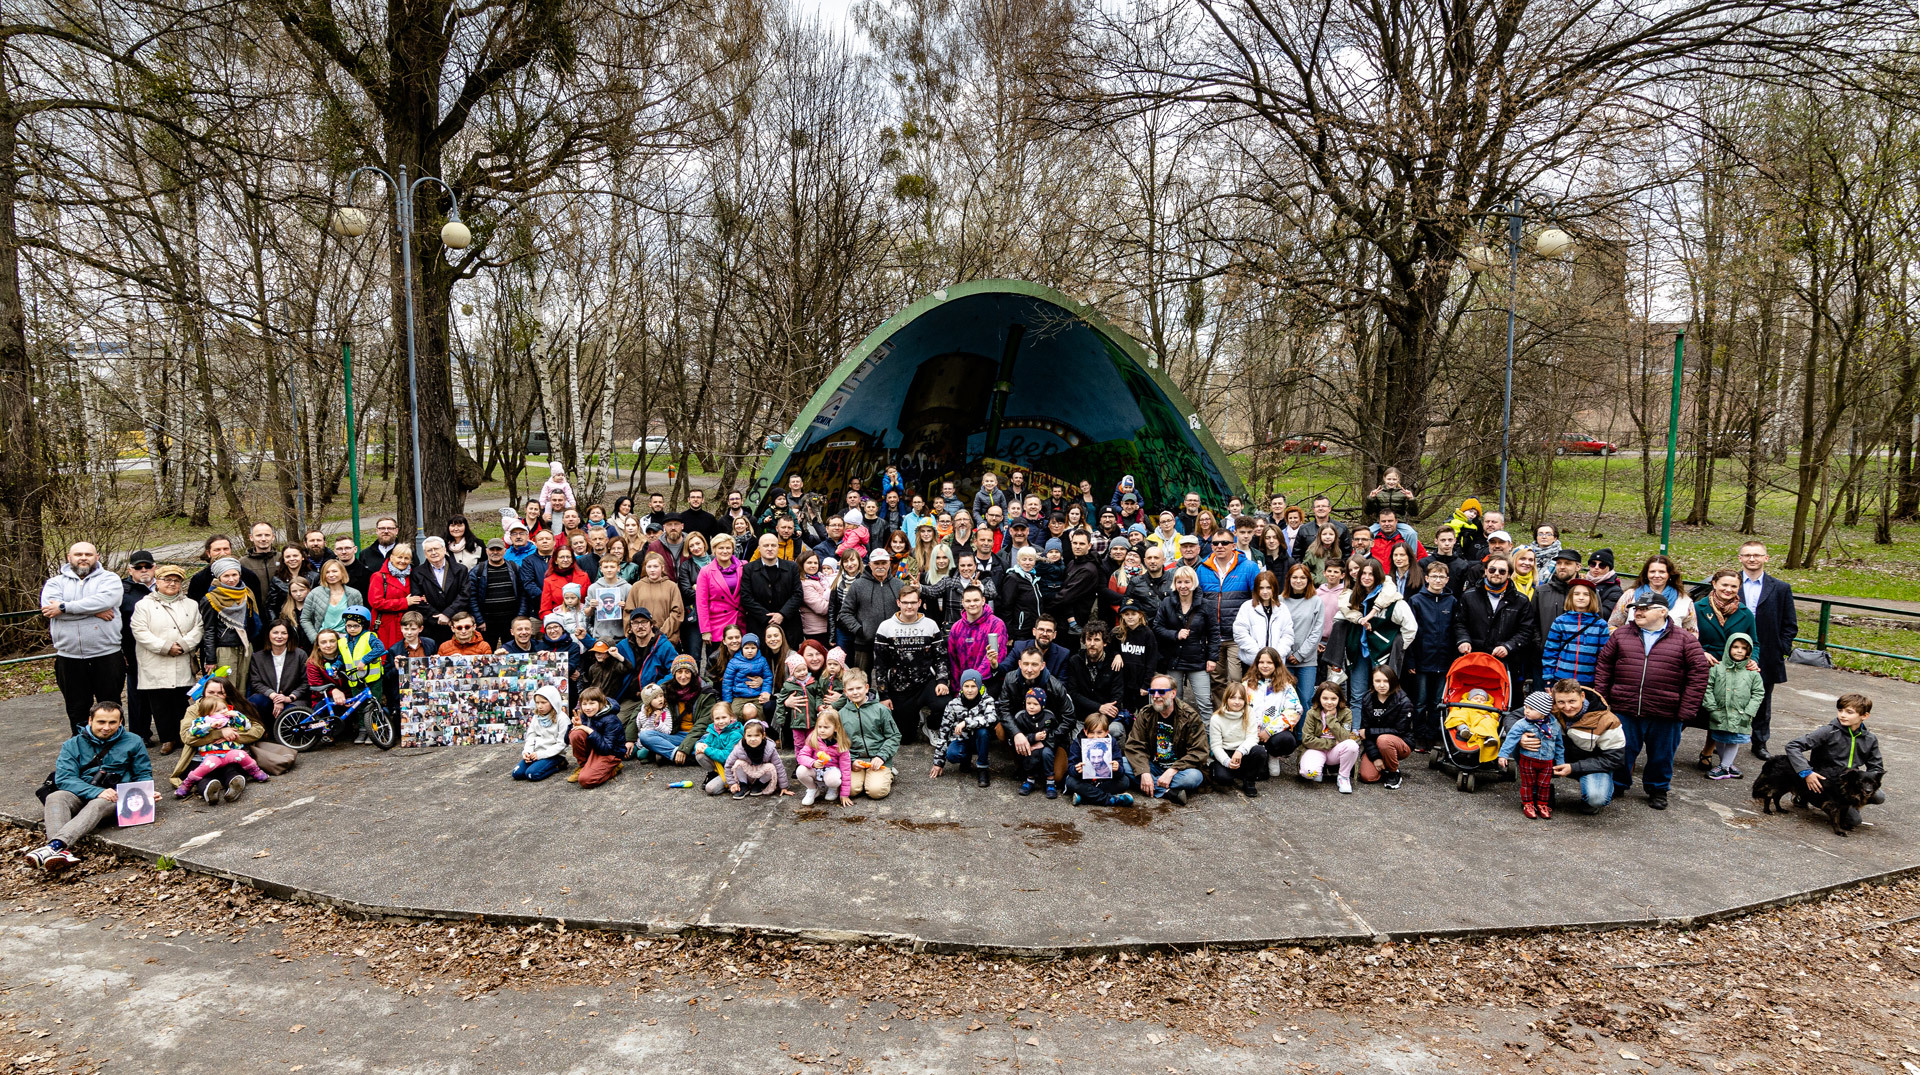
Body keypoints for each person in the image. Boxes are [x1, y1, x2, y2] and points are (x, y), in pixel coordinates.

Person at [1594, 594, 1711, 810]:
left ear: (1663, 612)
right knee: (1622, 750)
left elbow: (1698, 675)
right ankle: (1618, 784)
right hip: (1624, 708)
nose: (1638, 612)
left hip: (1666, 711)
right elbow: (1603, 668)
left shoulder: (1685, 640)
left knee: (1662, 755)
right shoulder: (1620, 635)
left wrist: (1686, 709)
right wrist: (1603, 702)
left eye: (1645, 608)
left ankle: (1657, 789)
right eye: (1636, 608)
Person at [22, 702, 151, 874]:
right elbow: (65, 778)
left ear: (121, 722)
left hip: (116, 796)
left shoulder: (133, 741)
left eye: (112, 722)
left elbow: (143, 773)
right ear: (90, 720)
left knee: (98, 803)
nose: (106, 727)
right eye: (101, 722)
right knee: (55, 797)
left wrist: (147, 792)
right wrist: (96, 791)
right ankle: (59, 851)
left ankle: (55, 846)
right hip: (81, 793)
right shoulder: (72, 745)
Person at [41, 542, 126, 736]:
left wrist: (63, 607)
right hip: (68, 657)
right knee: (76, 708)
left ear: (97, 557)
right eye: (78, 554)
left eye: (88, 554)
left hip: (107, 655)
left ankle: (116, 750)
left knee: (111, 706)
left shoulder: (109, 579)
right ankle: (83, 749)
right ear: (69, 558)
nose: (83, 557)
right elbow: (49, 609)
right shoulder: (55, 583)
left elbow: (104, 601)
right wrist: (94, 612)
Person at [128, 564, 202, 752]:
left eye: (176, 580)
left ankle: (183, 735)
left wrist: (184, 645)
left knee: (181, 700)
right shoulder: (143, 605)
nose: (171, 584)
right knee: (159, 702)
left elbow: (198, 628)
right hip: (155, 660)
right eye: (167, 580)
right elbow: (139, 631)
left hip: (182, 658)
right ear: (157, 582)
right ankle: (167, 738)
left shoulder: (191, 604)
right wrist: (165, 647)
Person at [1735, 541, 1797, 762]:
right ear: (1740, 558)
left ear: (1766, 558)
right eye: (1748, 555)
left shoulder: (1780, 588)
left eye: (1757, 555)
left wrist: (1781, 648)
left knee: (1761, 699)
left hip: (1768, 652)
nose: (1752, 559)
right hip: (1730, 649)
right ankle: (1720, 741)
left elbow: (1790, 623)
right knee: (1727, 695)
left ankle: (1759, 742)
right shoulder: (1729, 584)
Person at [1786, 692, 1885, 830]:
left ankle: (1846, 804)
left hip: (1847, 784)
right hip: (1825, 782)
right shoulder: (1828, 731)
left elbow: (1876, 768)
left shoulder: (1870, 739)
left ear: (1864, 716)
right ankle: (1805, 795)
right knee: (1853, 821)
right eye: (1840, 710)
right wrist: (1806, 772)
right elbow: (1793, 746)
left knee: (1879, 796)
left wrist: (1866, 780)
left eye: (1849, 712)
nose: (1842, 715)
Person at [1450, 554, 1534, 700]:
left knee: (1502, 701)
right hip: (1473, 658)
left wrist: (1509, 646)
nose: (1496, 573)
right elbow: (1459, 623)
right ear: (1486, 571)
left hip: (1505, 661)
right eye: (1492, 569)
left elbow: (1526, 630)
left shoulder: (1520, 601)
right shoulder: (1469, 596)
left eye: (1502, 571)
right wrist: (1463, 640)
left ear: (1509, 574)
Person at [872, 586, 949, 742]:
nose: (909, 606)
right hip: (900, 687)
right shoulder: (886, 627)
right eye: (905, 602)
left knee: (944, 704)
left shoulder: (930, 625)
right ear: (898, 603)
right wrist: (884, 695)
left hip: (925, 682)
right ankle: (915, 714)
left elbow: (941, 656)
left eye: (913, 602)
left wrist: (942, 681)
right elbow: (880, 664)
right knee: (905, 739)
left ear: (919, 602)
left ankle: (931, 726)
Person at [1337, 558, 1417, 705]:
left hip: (1382, 652)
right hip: (1359, 651)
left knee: (1384, 693)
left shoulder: (1392, 599)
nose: (1366, 577)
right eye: (1364, 573)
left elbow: (1410, 627)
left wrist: (1397, 647)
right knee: (1357, 695)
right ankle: (1357, 728)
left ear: (1378, 576)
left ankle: (1384, 728)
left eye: (1371, 574)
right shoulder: (1353, 597)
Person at [1125, 674, 1207, 804]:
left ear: (1173, 693)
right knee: (1123, 763)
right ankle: (1166, 792)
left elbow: (1199, 751)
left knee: (1194, 777)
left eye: (1161, 692)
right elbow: (1134, 745)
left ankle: (1149, 785)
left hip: (1179, 769)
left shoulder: (1190, 716)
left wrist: (1172, 771)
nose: (1156, 696)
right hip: (1153, 765)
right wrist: (1144, 772)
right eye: (1152, 691)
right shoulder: (1145, 713)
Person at [173, 696, 272, 801]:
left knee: (242, 755)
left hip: (230, 752)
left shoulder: (230, 720)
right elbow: (194, 731)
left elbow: (246, 726)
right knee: (204, 768)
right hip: (212, 755)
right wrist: (210, 726)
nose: (223, 712)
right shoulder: (202, 721)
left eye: (224, 708)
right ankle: (187, 784)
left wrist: (238, 715)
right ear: (207, 712)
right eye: (217, 711)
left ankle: (256, 772)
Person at [1403, 560, 1455, 750]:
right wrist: (1411, 660)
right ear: (1427, 578)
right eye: (1434, 576)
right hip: (1422, 659)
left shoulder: (1452, 601)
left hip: (1443, 660)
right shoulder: (1416, 601)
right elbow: (1409, 632)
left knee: (1437, 702)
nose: (1438, 580)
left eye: (1442, 577)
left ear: (1447, 579)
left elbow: (1454, 631)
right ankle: (1418, 735)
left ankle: (1433, 735)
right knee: (1420, 702)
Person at [1154, 565, 1218, 713]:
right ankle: (1176, 734)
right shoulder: (1166, 603)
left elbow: (1214, 633)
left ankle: (1208, 736)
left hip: (1198, 660)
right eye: (1179, 582)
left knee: (1205, 704)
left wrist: (1212, 658)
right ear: (1174, 584)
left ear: (1193, 583)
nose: (1183, 586)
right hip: (1173, 659)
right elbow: (1157, 628)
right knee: (1173, 703)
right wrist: (1175, 634)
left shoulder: (1206, 605)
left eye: (1187, 582)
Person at [1702, 633, 1765, 780]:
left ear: (1748, 651)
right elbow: (1708, 688)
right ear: (1728, 648)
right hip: (1719, 711)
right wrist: (1712, 708)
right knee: (1719, 737)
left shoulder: (1752, 673)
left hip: (1741, 714)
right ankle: (1728, 765)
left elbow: (1758, 693)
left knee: (1734, 739)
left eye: (1744, 648)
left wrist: (1749, 712)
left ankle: (1724, 767)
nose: (1739, 651)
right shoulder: (1717, 668)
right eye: (1735, 647)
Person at [831, 669, 899, 799]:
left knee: (876, 792)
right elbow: (838, 743)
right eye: (851, 689)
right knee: (850, 790)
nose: (855, 692)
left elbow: (894, 736)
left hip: (878, 760)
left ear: (867, 688)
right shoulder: (841, 714)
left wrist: (881, 757)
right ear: (845, 692)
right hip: (856, 761)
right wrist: (851, 761)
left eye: (859, 688)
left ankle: (887, 773)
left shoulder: (881, 710)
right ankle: (864, 777)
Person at [1499, 691, 1565, 818]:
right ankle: (1528, 803)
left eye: (1531, 709)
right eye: (1526, 707)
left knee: (1544, 785)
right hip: (1528, 759)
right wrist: (1503, 754)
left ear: (1543, 712)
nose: (1526, 711)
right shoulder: (1522, 723)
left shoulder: (1554, 725)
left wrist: (1560, 762)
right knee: (1528, 783)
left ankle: (1542, 804)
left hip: (1547, 761)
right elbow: (1511, 738)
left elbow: (1559, 745)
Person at [929, 669, 998, 787]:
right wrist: (938, 762)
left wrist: (966, 722)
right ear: (961, 687)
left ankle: (982, 768)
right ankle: (966, 761)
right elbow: (943, 733)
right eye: (966, 686)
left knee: (983, 732)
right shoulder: (953, 704)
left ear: (979, 687)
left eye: (973, 686)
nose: (970, 690)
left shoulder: (987, 701)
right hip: (962, 741)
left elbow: (991, 718)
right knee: (952, 754)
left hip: (980, 741)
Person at [837, 547, 904, 671]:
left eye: (883, 563)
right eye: (876, 563)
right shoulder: (858, 585)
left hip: (894, 643)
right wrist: (860, 630)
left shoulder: (899, 585)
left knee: (893, 678)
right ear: (870, 565)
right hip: (864, 643)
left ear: (889, 563)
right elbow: (845, 613)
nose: (880, 566)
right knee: (862, 679)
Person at [198, 557, 262, 678]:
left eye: (234, 575)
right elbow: (209, 630)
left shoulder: (247, 593)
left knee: (244, 688)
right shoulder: (211, 598)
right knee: (227, 688)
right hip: (224, 649)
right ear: (219, 577)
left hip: (245, 646)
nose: (231, 579)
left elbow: (252, 621)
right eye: (226, 576)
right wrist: (210, 659)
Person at [1540, 577, 1608, 688]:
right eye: (1576, 594)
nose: (1581, 598)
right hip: (1562, 678)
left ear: (1592, 598)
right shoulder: (1560, 622)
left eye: (1586, 594)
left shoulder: (1600, 625)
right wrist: (1548, 677)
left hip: (1588, 680)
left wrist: (1600, 681)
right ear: (1571, 597)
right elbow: (1550, 651)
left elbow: (1603, 657)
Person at [1245, 647, 1302, 775]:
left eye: (1269, 663)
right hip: (1251, 732)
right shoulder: (1247, 685)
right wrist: (1254, 730)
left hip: (1272, 733)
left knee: (1287, 740)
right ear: (1256, 664)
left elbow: (1294, 710)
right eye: (1261, 662)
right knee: (1260, 774)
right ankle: (1258, 755)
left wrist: (1269, 731)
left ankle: (1273, 755)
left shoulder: (1286, 686)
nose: (1265, 666)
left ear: (1276, 664)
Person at [1607, 554, 1698, 636]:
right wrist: (1624, 642)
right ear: (1646, 574)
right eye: (1652, 571)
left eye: (1662, 572)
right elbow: (1613, 625)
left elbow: (1692, 633)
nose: (1657, 575)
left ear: (1669, 574)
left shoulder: (1684, 600)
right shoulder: (1630, 596)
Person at [1355, 665, 1414, 787]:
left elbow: (1399, 730)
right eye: (1377, 681)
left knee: (1384, 740)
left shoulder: (1403, 701)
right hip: (1375, 745)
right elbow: (1363, 732)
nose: (1382, 685)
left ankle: (1393, 772)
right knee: (1367, 777)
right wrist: (1375, 757)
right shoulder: (1367, 699)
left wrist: (1369, 732)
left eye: (1386, 681)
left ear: (1393, 681)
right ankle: (1385, 766)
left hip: (1400, 743)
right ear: (1372, 682)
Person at [1297, 681, 1360, 792]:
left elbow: (1345, 737)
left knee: (1352, 745)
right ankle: (1319, 768)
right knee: (1309, 773)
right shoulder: (1312, 713)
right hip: (1316, 749)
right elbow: (1307, 740)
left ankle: (1343, 777)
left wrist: (1330, 719)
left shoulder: (1346, 712)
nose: (1329, 702)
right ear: (1319, 698)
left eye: (1333, 699)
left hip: (1335, 752)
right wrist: (1331, 743)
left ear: (1339, 699)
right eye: (1325, 698)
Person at [1064, 709, 1135, 806]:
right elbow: (1070, 768)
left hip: (1104, 782)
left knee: (1124, 781)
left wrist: (1117, 768)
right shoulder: (1078, 743)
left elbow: (1120, 770)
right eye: (1091, 733)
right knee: (1070, 781)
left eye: (1099, 733)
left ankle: (1085, 798)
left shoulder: (1112, 742)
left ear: (1106, 732)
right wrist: (1076, 769)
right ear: (1085, 731)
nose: (1095, 737)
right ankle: (1110, 800)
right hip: (1084, 781)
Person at [1231, 569, 1295, 677]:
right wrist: (1259, 655)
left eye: (1268, 587)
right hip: (1252, 662)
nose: (1265, 592)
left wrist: (1275, 656)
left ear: (1274, 588)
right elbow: (1240, 633)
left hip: (1276, 664)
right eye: (1261, 588)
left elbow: (1287, 635)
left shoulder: (1282, 609)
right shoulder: (1247, 607)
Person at [1207, 681, 1266, 797]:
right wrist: (1227, 761)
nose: (1237, 702)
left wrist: (1240, 751)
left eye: (1241, 698)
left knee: (1260, 752)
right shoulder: (1216, 718)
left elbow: (1253, 737)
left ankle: (1249, 781)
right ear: (1226, 699)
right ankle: (1221, 768)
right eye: (1233, 698)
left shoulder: (1249, 712)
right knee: (1223, 779)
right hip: (1226, 752)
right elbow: (1215, 746)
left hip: (1244, 751)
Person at [740, 532, 803, 641]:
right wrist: (767, 617)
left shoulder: (792, 567)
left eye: (773, 545)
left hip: (788, 625)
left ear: (778, 547)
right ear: (759, 548)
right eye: (766, 545)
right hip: (759, 624)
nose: (770, 548)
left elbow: (797, 594)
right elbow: (746, 598)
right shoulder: (749, 569)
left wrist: (782, 614)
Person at [1277, 564, 1324, 705]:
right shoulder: (1280, 601)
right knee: (1285, 701)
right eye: (1295, 577)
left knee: (1305, 700)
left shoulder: (1316, 601)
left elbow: (1317, 631)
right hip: (1284, 659)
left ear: (1309, 580)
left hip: (1307, 661)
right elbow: (1277, 629)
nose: (1298, 581)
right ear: (1288, 579)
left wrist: (1299, 655)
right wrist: (1288, 652)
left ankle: (1304, 728)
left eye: (1302, 577)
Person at [246, 620, 309, 720]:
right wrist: (275, 696)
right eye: (275, 632)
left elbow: (306, 682)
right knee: (254, 701)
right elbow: (256, 683)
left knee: (289, 717)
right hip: (268, 697)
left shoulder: (300, 655)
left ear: (289, 636)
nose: (279, 636)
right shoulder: (258, 657)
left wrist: (288, 698)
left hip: (293, 700)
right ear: (268, 635)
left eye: (284, 633)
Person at [413, 537, 469, 645]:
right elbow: (417, 599)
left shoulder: (461, 570)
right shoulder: (417, 573)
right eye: (429, 550)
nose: (433, 553)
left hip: (456, 623)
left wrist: (448, 614)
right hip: (431, 626)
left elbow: (464, 595)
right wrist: (438, 617)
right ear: (425, 554)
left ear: (444, 550)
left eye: (436, 549)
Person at [566, 687, 626, 787]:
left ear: (601, 703)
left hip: (610, 754)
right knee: (576, 733)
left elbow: (606, 749)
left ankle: (614, 768)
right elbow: (566, 741)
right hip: (595, 748)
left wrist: (588, 730)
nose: (588, 707)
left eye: (592, 703)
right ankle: (584, 766)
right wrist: (574, 726)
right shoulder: (584, 714)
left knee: (585, 780)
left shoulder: (611, 719)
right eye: (584, 704)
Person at [696, 533, 746, 649]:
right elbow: (701, 603)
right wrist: (705, 630)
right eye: (721, 548)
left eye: (728, 548)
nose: (725, 551)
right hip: (718, 624)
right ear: (714, 550)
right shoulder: (705, 571)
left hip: (740, 622)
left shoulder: (743, 566)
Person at [511, 685, 571, 781]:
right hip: (536, 753)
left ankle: (559, 765)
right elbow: (531, 736)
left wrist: (541, 755)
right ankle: (539, 764)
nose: (539, 706)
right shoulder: (537, 716)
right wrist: (527, 752)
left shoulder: (562, 718)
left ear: (553, 702)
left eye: (543, 702)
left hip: (554, 754)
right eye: (537, 702)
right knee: (516, 774)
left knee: (532, 774)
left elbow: (562, 744)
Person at [797, 707, 853, 805]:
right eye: (819, 727)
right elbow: (801, 756)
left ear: (836, 728)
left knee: (833, 780)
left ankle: (833, 788)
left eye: (826, 727)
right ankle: (813, 789)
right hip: (816, 769)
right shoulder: (813, 737)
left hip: (832, 771)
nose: (821, 730)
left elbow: (846, 770)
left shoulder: (841, 745)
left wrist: (844, 794)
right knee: (801, 771)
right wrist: (812, 763)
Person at [351, 517, 400, 594]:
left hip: (400, 601)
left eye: (390, 528)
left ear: (396, 531)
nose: (386, 531)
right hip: (373, 600)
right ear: (377, 531)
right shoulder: (365, 554)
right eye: (382, 528)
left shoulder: (406, 553)